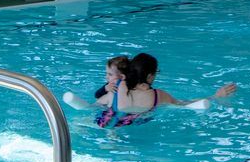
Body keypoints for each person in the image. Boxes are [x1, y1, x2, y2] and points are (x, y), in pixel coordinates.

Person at [94, 52, 236, 127]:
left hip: (103, 122)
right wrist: (215, 96)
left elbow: (92, 107)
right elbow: (184, 104)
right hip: (133, 125)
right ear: (150, 76)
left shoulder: (114, 90)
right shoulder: (159, 95)